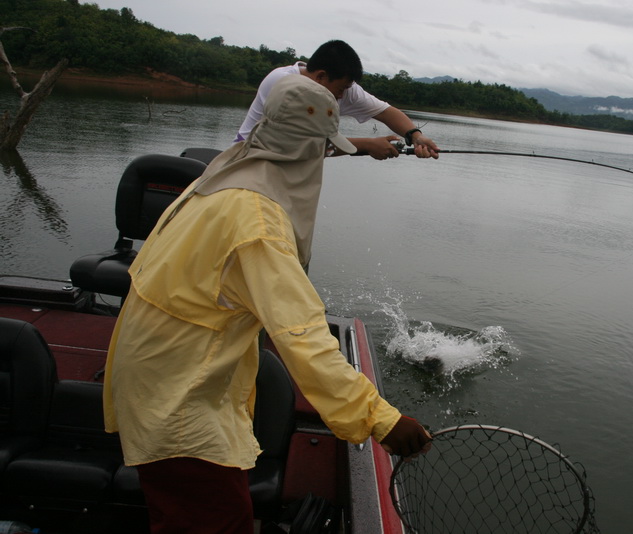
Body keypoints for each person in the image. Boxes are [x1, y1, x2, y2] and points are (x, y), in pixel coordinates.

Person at [103, 74, 432, 534]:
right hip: (178, 402)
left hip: (159, 377)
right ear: (304, 146)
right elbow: (303, 336)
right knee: (217, 522)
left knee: (182, 514)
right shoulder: (256, 221)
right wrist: (383, 419)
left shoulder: (222, 174)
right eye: (321, 146)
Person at [235, 39, 439, 160]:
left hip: (294, 165)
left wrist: (415, 136)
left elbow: (386, 112)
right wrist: (368, 144)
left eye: (346, 88)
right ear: (321, 76)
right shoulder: (284, 83)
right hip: (250, 156)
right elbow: (303, 145)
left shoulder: (344, 88)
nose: (342, 96)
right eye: (340, 88)